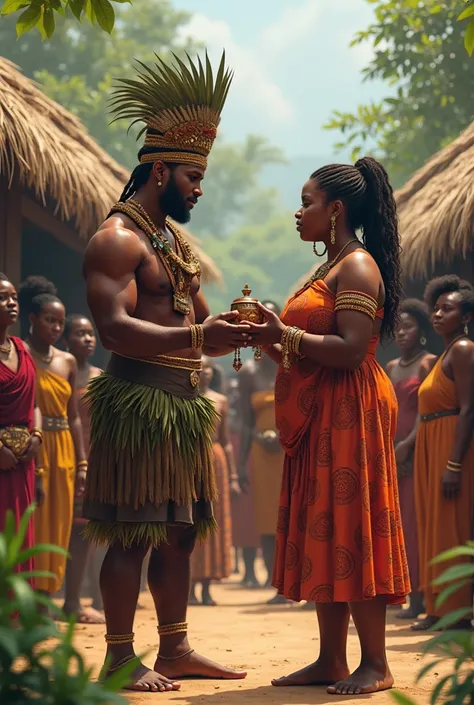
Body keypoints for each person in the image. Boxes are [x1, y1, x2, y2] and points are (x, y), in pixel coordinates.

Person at [82, 52, 249, 693]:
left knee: (179, 533)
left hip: (183, 407)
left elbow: (200, 319)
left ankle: (175, 648)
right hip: (138, 400)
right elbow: (115, 330)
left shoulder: (172, 242)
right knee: (134, 535)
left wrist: (239, 324)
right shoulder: (118, 240)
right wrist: (199, 334)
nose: (199, 189)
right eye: (194, 176)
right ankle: (120, 656)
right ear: (160, 170)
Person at [245, 157, 410, 695]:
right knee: (327, 523)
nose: (298, 213)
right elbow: (304, 355)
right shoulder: (328, 266)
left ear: (335, 209)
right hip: (322, 409)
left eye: (307, 202)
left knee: (351, 521)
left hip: (350, 409)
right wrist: (263, 336)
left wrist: (283, 336)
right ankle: (331, 659)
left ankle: (377, 664)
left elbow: (351, 350)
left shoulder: (357, 266)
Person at [18, 279, 87, 599]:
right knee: (34, 523)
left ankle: (49, 596)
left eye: (60, 322)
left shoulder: (67, 361)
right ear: (32, 319)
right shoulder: (20, 354)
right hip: (33, 444)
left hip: (64, 448)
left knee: (61, 524)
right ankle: (28, 596)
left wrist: (82, 459)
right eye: (50, 320)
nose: (57, 327)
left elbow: (73, 415)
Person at [412, 275, 474, 632]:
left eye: (446, 309)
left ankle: (456, 611)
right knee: (433, 525)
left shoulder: (464, 350)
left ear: (464, 317)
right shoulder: (445, 354)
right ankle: (436, 609)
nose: (437, 314)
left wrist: (454, 463)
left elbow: (468, 408)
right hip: (431, 442)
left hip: (451, 446)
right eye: (436, 308)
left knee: (451, 526)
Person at [386, 299, 435, 620]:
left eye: (409, 327)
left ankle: (422, 601)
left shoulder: (427, 364)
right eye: (399, 328)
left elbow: (426, 410)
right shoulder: (390, 368)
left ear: (421, 332)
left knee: (418, 525)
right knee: (399, 526)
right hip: (393, 454)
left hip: (419, 451)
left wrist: (407, 445)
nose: (402, 333)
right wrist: (391, 447)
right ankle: (406, 596)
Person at [239, 300, 287, 603]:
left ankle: (302, 584)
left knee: (294, 519)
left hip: (290, 449)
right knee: (268, 521)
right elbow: (244, 421)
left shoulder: (291, 362)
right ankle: (277, 587)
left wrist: (284, 435)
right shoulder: (248, 372)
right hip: (261, 453)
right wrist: (240, 466)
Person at [61, 314, 105, 623]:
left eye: (91, 333)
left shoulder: (101, 377)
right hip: (61, 453)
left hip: (94, 458)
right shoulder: (60, 370)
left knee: (87, 530)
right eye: (80, 333)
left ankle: (85, 599)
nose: (88, 339)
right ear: (67, 339)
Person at [0, 273, 44, 574]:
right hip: (0, 460)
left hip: (23, 461)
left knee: (21, 537)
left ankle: (16, 617)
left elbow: (35, 404)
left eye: (14, 296)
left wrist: (37, 437)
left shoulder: (22, 348)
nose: (11, 302)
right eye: (3, 298)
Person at [190, 357, 240, 605]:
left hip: (216, 461)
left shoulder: (220, 400)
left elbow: (227, 441)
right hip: (188, 461)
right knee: (189, 520)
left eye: (208, 368)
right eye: (199, 368)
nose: (204, 372)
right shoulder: (183, 397)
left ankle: (207, 587)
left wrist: (232, 476)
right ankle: (188, 589)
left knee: (212, 522)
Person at [228, 377, 259, 588]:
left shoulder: (252, 418)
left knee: (252, 522)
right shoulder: (223, 414)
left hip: (253, 466)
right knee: (238, 523)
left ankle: (253, 571)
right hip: (231, 470)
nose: (236, 396)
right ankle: (242, 569)